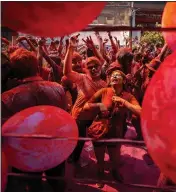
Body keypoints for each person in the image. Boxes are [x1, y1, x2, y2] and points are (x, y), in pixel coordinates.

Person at [2, 48, 67, 192]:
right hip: (56, 146)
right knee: (57, 181)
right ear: (37, 67)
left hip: (27, 154)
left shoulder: (7, 97)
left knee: (31, 185)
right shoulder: (58, 88)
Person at [83, 70, 141, 188]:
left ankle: (114, 172)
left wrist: (124, 102)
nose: (114, 76)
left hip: (116, 132)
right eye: (112, 75)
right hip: (100, 130)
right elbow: (86, 106)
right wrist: (99, 105)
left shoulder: (128, 96)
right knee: (100, 158)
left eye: (117, 75)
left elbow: (140, 111)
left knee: (115, 158)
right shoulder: (104, 91)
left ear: (124, 80)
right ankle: (100, 174)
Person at [63, 35, 106, 166]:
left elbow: (102, 60)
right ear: (86, 69)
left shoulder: (104, 83)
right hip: (79, 115)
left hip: (93, 117)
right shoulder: (82, 78)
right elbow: (67, 72)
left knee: (94, 139)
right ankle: (72, 162)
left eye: (96, 66)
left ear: (100, 67)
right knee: (78, 141)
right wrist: (70, 48)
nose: (93, 68)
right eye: (90, 66)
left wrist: (95, 46)